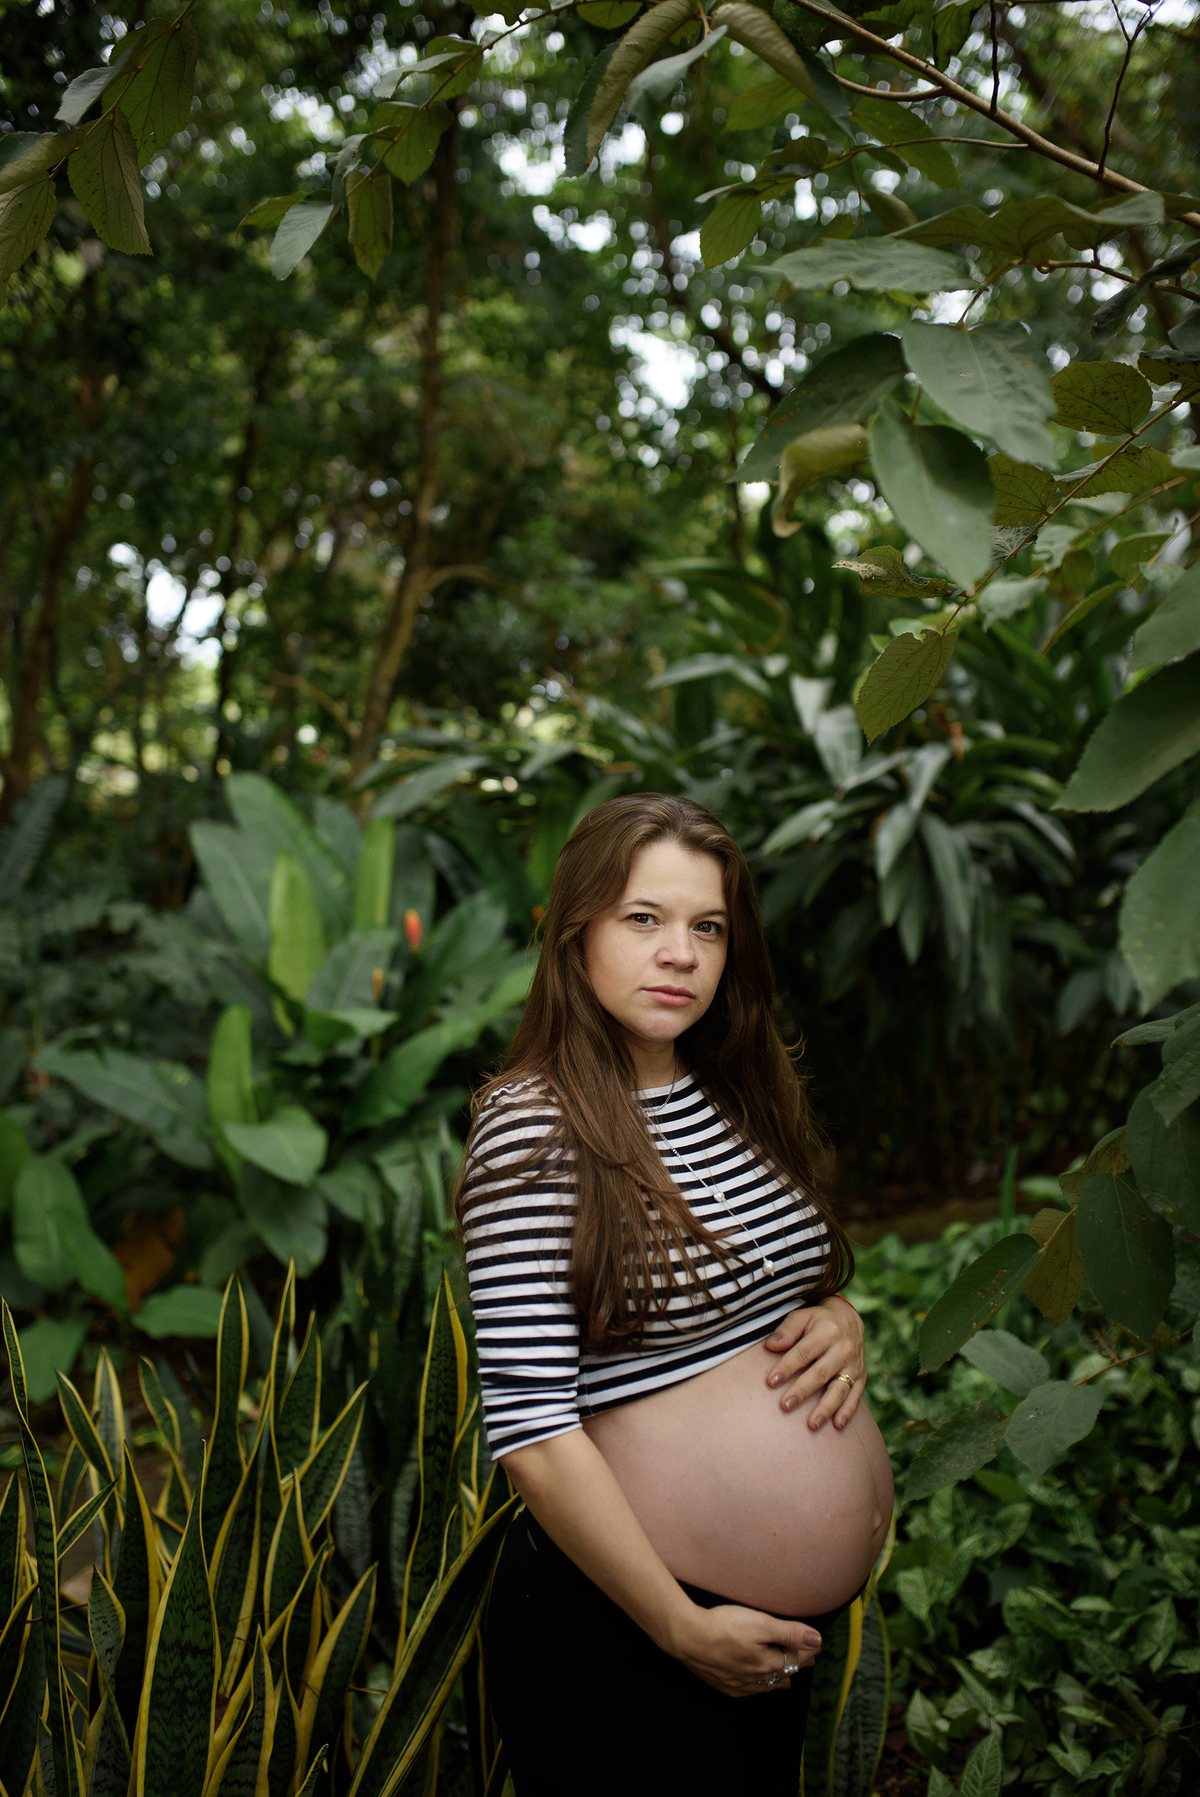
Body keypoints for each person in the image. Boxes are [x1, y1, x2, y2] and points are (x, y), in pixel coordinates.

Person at [455, 793, 894, 1796]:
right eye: (644, 919)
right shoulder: (535, 1124)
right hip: (627, 1635)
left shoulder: (730, 1087)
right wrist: (679, 1625)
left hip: (756, 1631)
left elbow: (784, 1284)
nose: (680, 955)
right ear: (577, 932)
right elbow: (531, 1427)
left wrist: (840, 1318)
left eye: (708, 928)